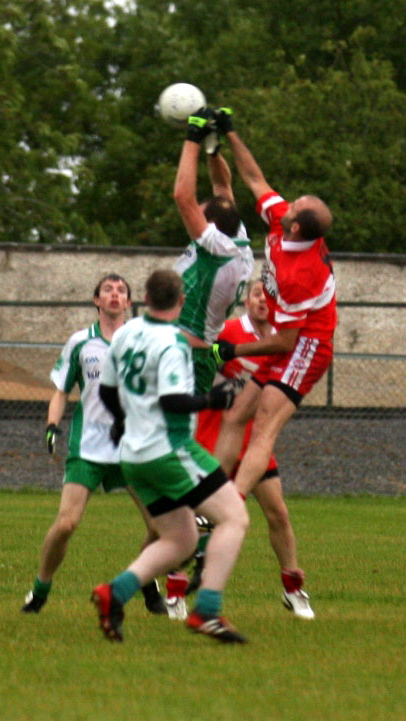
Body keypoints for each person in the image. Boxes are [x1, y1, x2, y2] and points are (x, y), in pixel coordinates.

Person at [211, 108, 337, 619]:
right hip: (285, 341)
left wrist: (233, 351)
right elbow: (254, 177)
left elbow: (285, 342)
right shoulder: (284, 221)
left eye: (296, 203)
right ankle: (216, 498)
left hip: (308, 344)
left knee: (263, 425)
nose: (287, 199)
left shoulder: (302, 268)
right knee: (238, 413)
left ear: (296, 222)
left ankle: (228, 507)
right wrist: (228, 132)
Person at [93, 269, 249, 644]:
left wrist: (124, 421)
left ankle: (114, 593)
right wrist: (213, 399)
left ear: (145, 296)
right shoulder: (173, 342)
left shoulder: (126, 333)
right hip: (168, 449)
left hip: (133, 456)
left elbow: (107, 392)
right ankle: (208, 610)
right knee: (234, 518)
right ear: (181, 303)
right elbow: (172, 401)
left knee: (180, 539)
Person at [21, 273, 166, 616]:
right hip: (88, 446)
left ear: (129, 303)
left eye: (121, 291)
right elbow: (61, 391)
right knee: (67, 523)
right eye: (107, 290)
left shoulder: (143, 341)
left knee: (161, 527)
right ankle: (40, 589)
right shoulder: (80, 343)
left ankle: (144, 580)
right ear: (97, 300)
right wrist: (52, 425)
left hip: (132, 446)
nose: (115, 295)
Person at [166, 108, 254, 617]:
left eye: (203, 212)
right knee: (162, 462)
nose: (197, 209)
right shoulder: (238, 240)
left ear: (209, 228)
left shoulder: (217, 246)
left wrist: (193, 141)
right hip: (191, 349)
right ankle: (177, 548)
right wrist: (219, 146)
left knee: (167, 461)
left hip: (186, 354)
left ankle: (187, 545)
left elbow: (183, 195)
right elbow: (222, 197)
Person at [194, 278, 315, 619]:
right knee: (195, 516)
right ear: (245, 301)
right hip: (218, 440)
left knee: (278, 513)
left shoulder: (283, 337)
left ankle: (293, 589)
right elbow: (199, 364)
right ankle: (173, 589)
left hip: (256, 444)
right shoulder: (229, 332)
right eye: (257, 295)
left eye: (269, 295)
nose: (263, 301)